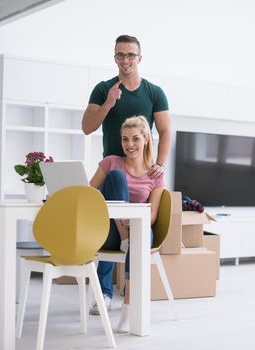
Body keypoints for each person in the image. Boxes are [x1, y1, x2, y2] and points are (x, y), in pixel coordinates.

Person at [83, 34, 171, 312]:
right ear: (114, 58)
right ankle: (105, 294)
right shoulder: (102, 89)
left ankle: (131, 292)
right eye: (120, 55)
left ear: (139, 57)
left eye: (130, 55)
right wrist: (109, 103)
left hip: (143, 172)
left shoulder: (154, 92)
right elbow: (87, 127)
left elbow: (166, 130)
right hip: (112, 170)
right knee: (110, 211)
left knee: (134, 228)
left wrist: (159, 164)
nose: (125, 60)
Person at [89, 115, 164, 332]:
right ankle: (126, 239)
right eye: (125, 139)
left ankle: (129, 308)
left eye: (135, 139)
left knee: (140, 237)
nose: (129, 145)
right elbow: (89, 193)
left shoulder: (155, 174)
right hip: (112, 232)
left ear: (146, 140)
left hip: (138, 229)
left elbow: (152, 215)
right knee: (116, 177)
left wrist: (135, 224)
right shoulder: (111, 162)